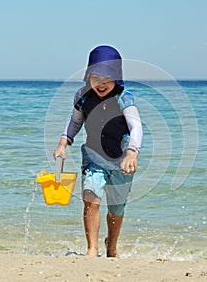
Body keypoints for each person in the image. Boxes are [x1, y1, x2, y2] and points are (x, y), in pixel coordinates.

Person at [53, 45, 143, 257]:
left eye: (107, 79)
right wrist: (63, 143)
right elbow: (75, 121)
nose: (101, 84)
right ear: (88, 76)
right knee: (90, 197)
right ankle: (92, 248)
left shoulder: (124, 98)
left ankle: (111, 246)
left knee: (116, 209)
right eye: (96, 78)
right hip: (93, 157)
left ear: (117, 78)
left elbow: (136, 126)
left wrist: (132, 153)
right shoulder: (83, 96)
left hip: (122, 160)